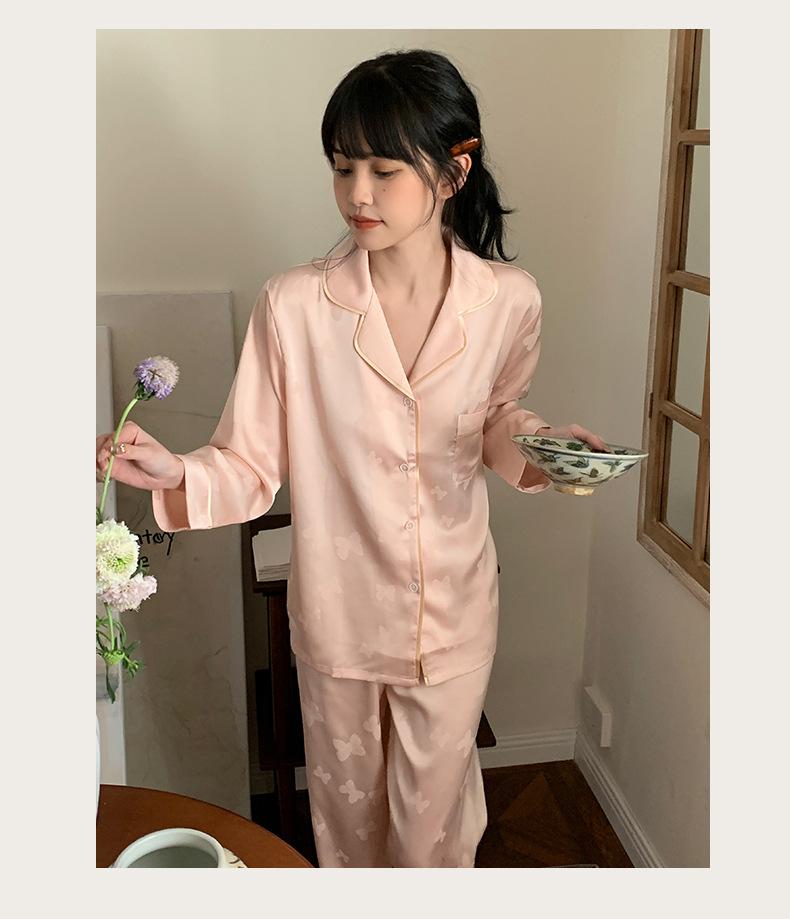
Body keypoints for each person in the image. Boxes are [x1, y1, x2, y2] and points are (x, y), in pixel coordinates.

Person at [96, 48, 607, 868]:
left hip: (455, 608)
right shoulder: (294, 305)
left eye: (382, 169)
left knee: (434, 831)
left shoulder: (509, 300)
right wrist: (179, 472)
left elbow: (495, 417)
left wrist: (547, 448)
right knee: (347, 825)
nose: (357, 193)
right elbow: (249, 459)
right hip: (338, 614)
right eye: (342, 168)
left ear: (454, 171)